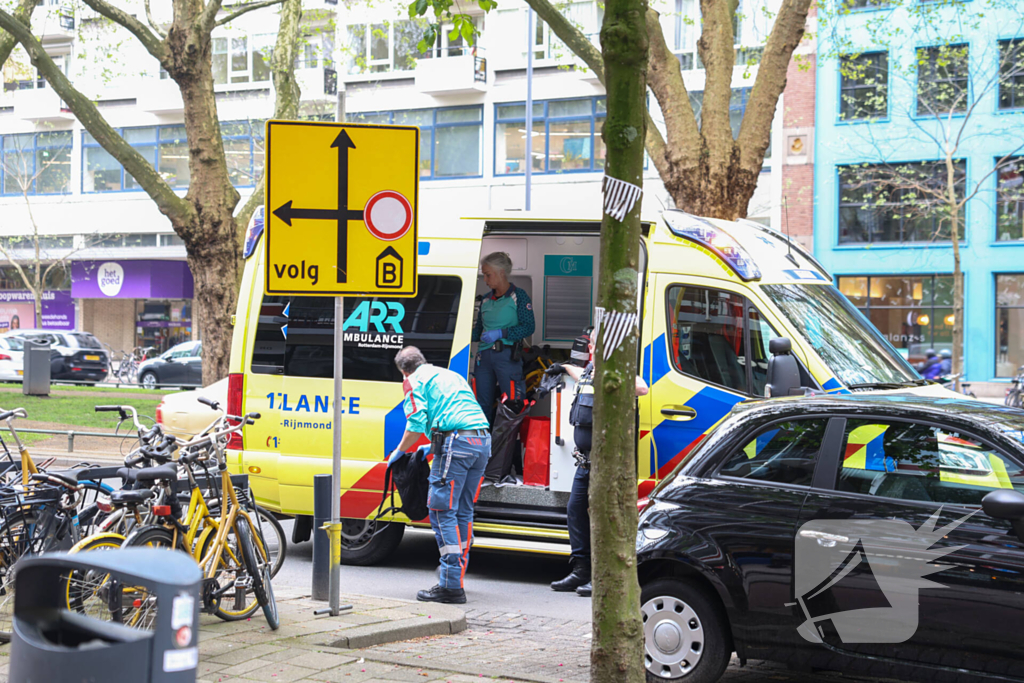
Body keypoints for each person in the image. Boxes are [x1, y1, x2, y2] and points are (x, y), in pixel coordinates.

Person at [545, 330, 648, 597]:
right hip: (586, 463)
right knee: (576, 512)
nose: (593, 347)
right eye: (592, 343)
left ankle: (603, 577)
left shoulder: (616, 368)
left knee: (604, 519)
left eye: (597, 343)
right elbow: (582, 376)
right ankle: (581, 571)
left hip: (607, 463)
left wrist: (610, 376)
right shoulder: (591, 369)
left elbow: (642, 387)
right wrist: (565, 367)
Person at [389, 346, 492, 604]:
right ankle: (457, 573)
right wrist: (434, 445)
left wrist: (400, 451)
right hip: (481, 442)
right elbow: (457, 412)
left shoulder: (413, 381)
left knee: (441, 511)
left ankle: (450, 585)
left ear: (404, 371)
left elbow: (414, 423)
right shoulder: (449, 375)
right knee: (463, 511)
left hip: (455, 444)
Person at [473, 252, 535, 424]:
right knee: (481, 405)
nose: (485, 280)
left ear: (501, 272)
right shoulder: (486, 300)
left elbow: (529, 327)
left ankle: (509, 448)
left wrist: (502, 333)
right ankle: (482, 446)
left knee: (513, 404)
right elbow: (478, 331)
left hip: (507, 357)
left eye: (488, 275)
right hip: (483, 358)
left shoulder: (519, 297)